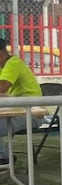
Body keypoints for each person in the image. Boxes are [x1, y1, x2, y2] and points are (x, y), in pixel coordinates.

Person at [0, 36, 40, 164]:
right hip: (18, 111)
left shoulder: (13, 64)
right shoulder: (4, 66)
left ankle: (4, 158)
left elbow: (2, 87)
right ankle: (4, 156)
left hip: (32, 114)